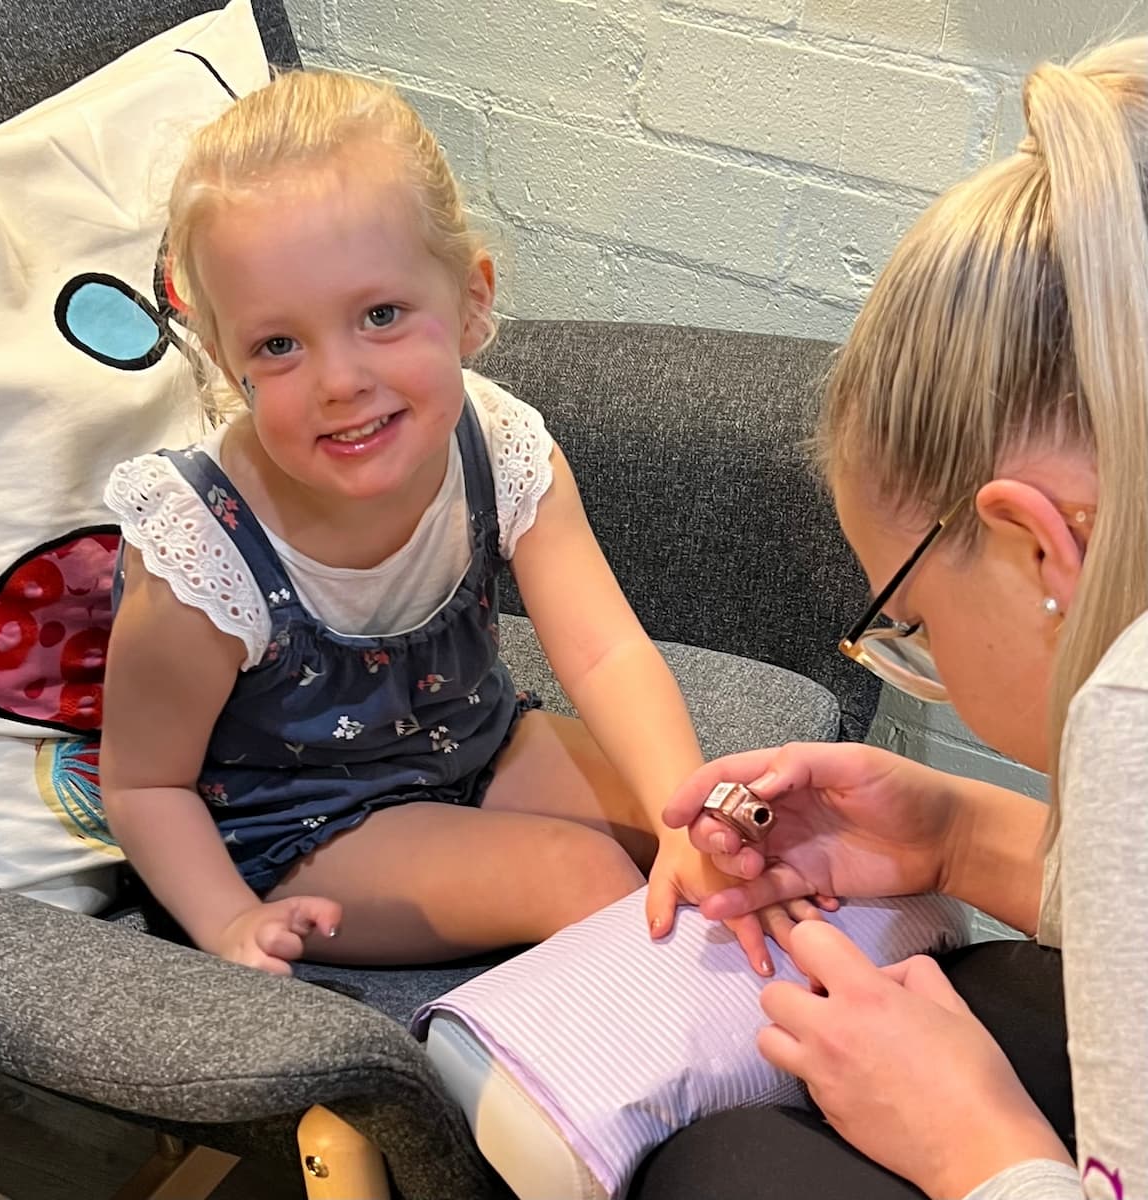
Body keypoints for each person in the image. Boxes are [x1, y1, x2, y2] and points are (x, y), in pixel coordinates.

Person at [99, 69, 765, 976]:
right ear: (226, 359)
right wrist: (225, 924)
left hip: (475, 740)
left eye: (380, 314)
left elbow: (606, 651)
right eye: (278, 345)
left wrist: (680, 816)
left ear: (471, 302)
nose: (339, 380)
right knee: (583, 876)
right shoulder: (201, 543)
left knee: (722, 828)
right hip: (302, 825)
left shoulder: (498, 441)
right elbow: (143, 782)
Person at [638, 36, 1148, 1200]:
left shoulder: (1131, 705)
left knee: (728, 1172)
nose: (925, 659)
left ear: (1038, 548)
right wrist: (962, 838)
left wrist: (977, 1148)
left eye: (910, 617)